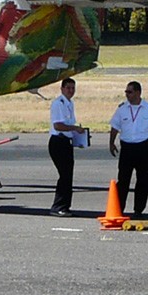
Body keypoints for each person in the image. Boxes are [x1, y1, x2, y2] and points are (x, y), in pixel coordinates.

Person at [107, 81, 148, 216]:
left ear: (138, 93)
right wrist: (111, 143)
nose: (127, 95)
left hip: (143, 147)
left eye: (130, 92)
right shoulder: (122, 108)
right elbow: (115, 127)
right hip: (126, 148)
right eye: (126, 92)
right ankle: (119, 209)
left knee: (142, 180)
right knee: (123, 180)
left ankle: (138, 210)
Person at [48, 77, 86, 217]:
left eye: (72, 88)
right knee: (64, 175)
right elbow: (58, 125)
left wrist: (79, 139)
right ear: (62, 89)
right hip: (58, 142)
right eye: (68, 88)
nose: (71, 91)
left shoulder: (70, 103)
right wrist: (75, 128)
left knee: (68, 175)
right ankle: (58, 206)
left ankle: (65, 205)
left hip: (66, 142)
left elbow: (69, 127)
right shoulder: (59, 103)